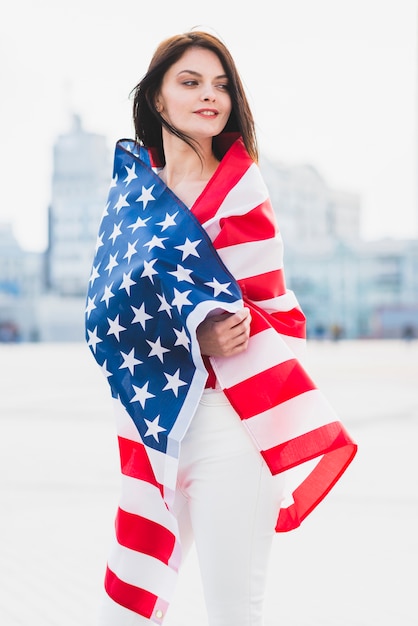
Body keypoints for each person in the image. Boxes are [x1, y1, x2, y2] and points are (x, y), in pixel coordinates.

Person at [85, 30, 357, 626]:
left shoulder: (240, 187)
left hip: (230, 425)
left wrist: (205, 336)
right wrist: (189, 337)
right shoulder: (134, 197)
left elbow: (270, 311)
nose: (211, 96)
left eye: (221, 85)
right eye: (190, 82)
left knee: (233, 611)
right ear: (158, 99)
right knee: (126, 607)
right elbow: (104, 315)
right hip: (158, 426)